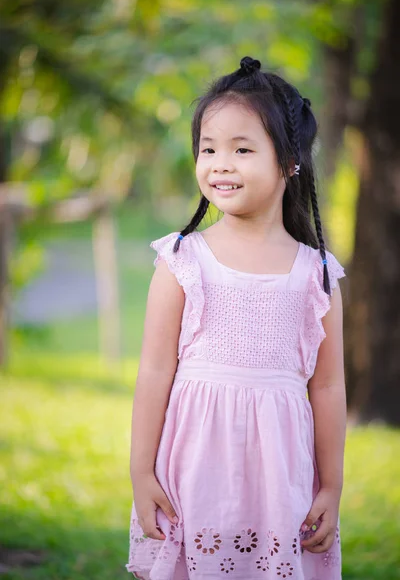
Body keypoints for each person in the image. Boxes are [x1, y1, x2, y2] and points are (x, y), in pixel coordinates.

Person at [125, 56, 347, 580]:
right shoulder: (183, 261)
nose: (219, 163)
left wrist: (332, 485)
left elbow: (328, 386)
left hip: (281, 477)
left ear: (290, 161)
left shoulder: (314, 274)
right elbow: (155, 371)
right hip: (194, 471)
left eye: (242, 149)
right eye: (208, 148)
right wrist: (140, 470)